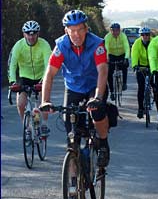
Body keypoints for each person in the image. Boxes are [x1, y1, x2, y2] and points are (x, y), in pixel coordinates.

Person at [40, 10, 110, 169]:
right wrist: (45, 101)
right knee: (70, 131)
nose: (76, 34)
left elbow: (103, 71)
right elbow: (49, 74)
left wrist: (98, 97)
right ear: (66, 31)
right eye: (72, 30)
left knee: (96, 112)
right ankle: (73, 184)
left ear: (86, 29)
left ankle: (104, 144)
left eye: (79, 29)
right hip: (73, 87)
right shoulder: (61, 46)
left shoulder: (97, 44)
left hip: (94, 85)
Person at [8, 20, 52, 136]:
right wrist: (12, 82)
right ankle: (26, 127)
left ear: (38, 34)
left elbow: (49, 64)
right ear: (24, 34)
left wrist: (44, 81)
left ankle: (44, 125)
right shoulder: (18, 45)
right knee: (21, 103)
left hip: (41, 76)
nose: (31, 36)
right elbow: (12, 65)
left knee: (44, 101)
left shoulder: (44, 45)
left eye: (34, 34)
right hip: (25, 77)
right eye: (28, 33)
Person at [104, 23, 130, 100]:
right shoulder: (107, 37)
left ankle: (124, 83)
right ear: (110, 31)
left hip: (121, 54)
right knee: (109, 72)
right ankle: (112, 92)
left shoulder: (123, 36)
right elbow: (106, 48)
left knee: (125, 66)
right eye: (113, 31)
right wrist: (107, 58)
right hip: (111, 55)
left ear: (120, 30)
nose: (115, 32)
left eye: (117, 31)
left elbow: (127, 47)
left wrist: (126, 58)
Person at [131, 26, 152, 119]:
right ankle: (140, 108)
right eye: (143, 35)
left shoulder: (154, 42)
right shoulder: (137, 43)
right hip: (141, 67)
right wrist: (135, 65)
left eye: (147, 34)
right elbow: (134, 54)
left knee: (156, 85)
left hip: (152, 66)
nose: (145, 36)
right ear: (140, 35)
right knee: (141, 88)